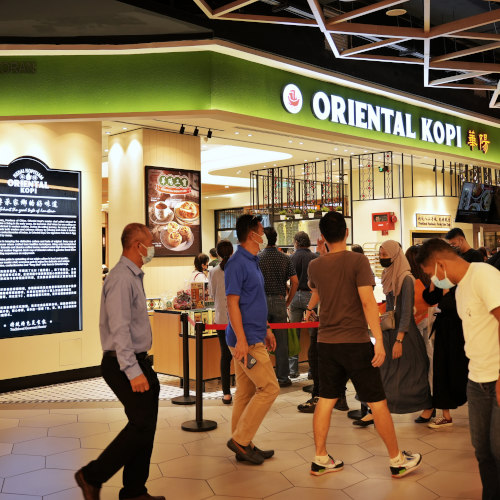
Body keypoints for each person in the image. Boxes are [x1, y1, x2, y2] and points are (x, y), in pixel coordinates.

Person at [305, 212, 422, 479]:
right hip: (355, 342)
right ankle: (397, 460)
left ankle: (320, 458)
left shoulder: (316, 266)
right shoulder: (357, 261)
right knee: (377, 401)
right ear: (346, 233)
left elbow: (317, 293)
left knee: (326, 399)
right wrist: (378, 340)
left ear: (321, 237)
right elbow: (368, 302)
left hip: (326, 342)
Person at [75, 223, 163, 500]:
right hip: (123, 364)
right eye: (149, 242)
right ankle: (92, 475)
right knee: (140, 425)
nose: (152, 248)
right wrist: (132, 370)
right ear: (137, 245)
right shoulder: (121, 278)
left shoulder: (133, 276)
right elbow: (119, 328)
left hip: (137, 362)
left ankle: (135, 491)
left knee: (145, 426)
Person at [417, 238, 500, 500]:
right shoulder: (460, 288)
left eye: (431, 273)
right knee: (483, 450)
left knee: (499, 451)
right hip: (476, 380)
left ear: (440, 263)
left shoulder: (484, 274)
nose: (434, 279)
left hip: (496, 379)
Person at [224, 214, 280, 465]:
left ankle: (242, 443)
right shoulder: (237, 263)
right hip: (246, 341)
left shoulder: (253, 260)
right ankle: (241, 440)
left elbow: (255, 301)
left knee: (245, 393)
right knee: (269, 388)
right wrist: (243, 341)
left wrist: (267, 327)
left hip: (255, 334)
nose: (264, 232)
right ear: (251, 234)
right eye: (260, 229)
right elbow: (232, 304)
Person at [363, 240, 431, 425]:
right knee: (382, 370)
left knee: (413, 373)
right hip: (389, 330)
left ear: (395, 255)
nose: (382, 258)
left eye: (385, 255)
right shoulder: (389, 275)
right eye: (380, 255)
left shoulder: (406, 279)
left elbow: (406, 311)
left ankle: (428, 406)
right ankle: (375, 409)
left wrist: (399, 340)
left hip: (404, 334)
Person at [418, 277, 469, 428]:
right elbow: (430, 298)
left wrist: (446, 289)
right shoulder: (441, 280)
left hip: (458, 333)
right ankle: (445, 415)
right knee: (441, 370)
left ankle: (476, 410)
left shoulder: (461, 281)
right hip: (443, 331)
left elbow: (450, 306)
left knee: (458, 371)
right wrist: (434, 284)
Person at [258, 226, 298, 387]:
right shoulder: (285, 258)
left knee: (260, 342)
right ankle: (283, 377)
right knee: (281, 341)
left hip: (261, 303)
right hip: (280, 300)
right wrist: (288, 300)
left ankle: (263, 377)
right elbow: (295, 281)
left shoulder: (258, 258)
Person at [288, 231, 320, 413]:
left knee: (294, 334)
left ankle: (293, 370)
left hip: (294, 296)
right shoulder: (315, 258)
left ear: (297, 243)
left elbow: (290, 280)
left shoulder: (291, 258)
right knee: (313, 335)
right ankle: (311, 370)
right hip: (311, 297)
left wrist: (289, 297)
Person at [208, 240, 234, 404]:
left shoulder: (213, 271)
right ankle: (247, 389)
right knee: (241, 354)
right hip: (237, 318)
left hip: (221, 319)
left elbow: (211, 294)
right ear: (232, 252)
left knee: (225, 355)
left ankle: (226, 393)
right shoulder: (238, 269)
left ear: (217, 254)